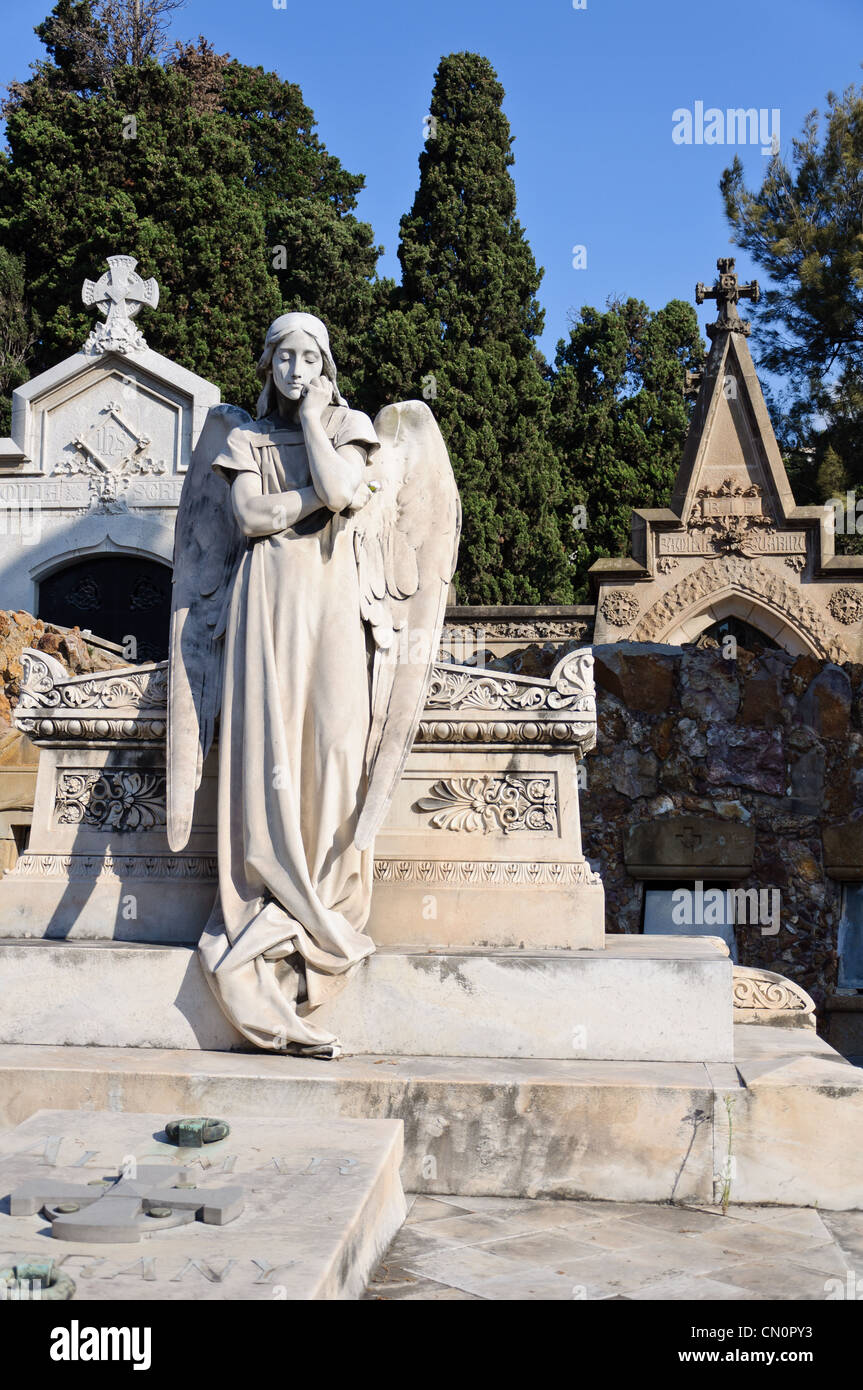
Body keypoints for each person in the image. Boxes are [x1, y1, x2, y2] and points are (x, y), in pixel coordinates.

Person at [197, 312, 380, 1056]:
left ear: (326, 364)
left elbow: (342, 484)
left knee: (336, 746)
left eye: (309, 358)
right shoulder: (242, 441)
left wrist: (312, 429)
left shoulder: (349, 423)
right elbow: (248, 517)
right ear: (267, 363)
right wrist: (313, 501)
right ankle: (271, 894)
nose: (295, 369)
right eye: (283, 358)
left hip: (332, 602)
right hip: (266, 603)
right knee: (266, 744)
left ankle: (321, 899)